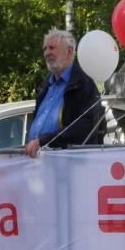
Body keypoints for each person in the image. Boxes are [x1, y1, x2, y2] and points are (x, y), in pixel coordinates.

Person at [25, 28, 104, 157]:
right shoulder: (46, 86)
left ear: (69, 51)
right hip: (40, 166)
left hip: (69, 166)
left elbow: (85, 128)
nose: (47, 53)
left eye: (52, 48)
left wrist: (43, 141)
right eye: (45, 49)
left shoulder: (84, 84)